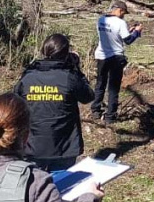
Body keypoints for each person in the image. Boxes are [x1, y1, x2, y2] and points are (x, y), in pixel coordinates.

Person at [14, 34, 95, 172]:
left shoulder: (28, 77)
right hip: (63, 147)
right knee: (62, 189)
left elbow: (14, 103)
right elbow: (88, 96)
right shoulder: (70, 77)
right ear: (65, 53)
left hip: (32, 146)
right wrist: (77, 71)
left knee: (33, 188)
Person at [91, 0, 142, 122]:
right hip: (116, 57)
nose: (124, 15)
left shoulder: (101, 20)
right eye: (124, 13)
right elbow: (128, 41)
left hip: (101, 55)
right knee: (113, 88)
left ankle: (95, 110)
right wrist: (137, 32)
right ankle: (110, 116)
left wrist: (128, 31)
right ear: (120, 10)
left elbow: (112, 34)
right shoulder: (120, 23)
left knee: (100, 84)